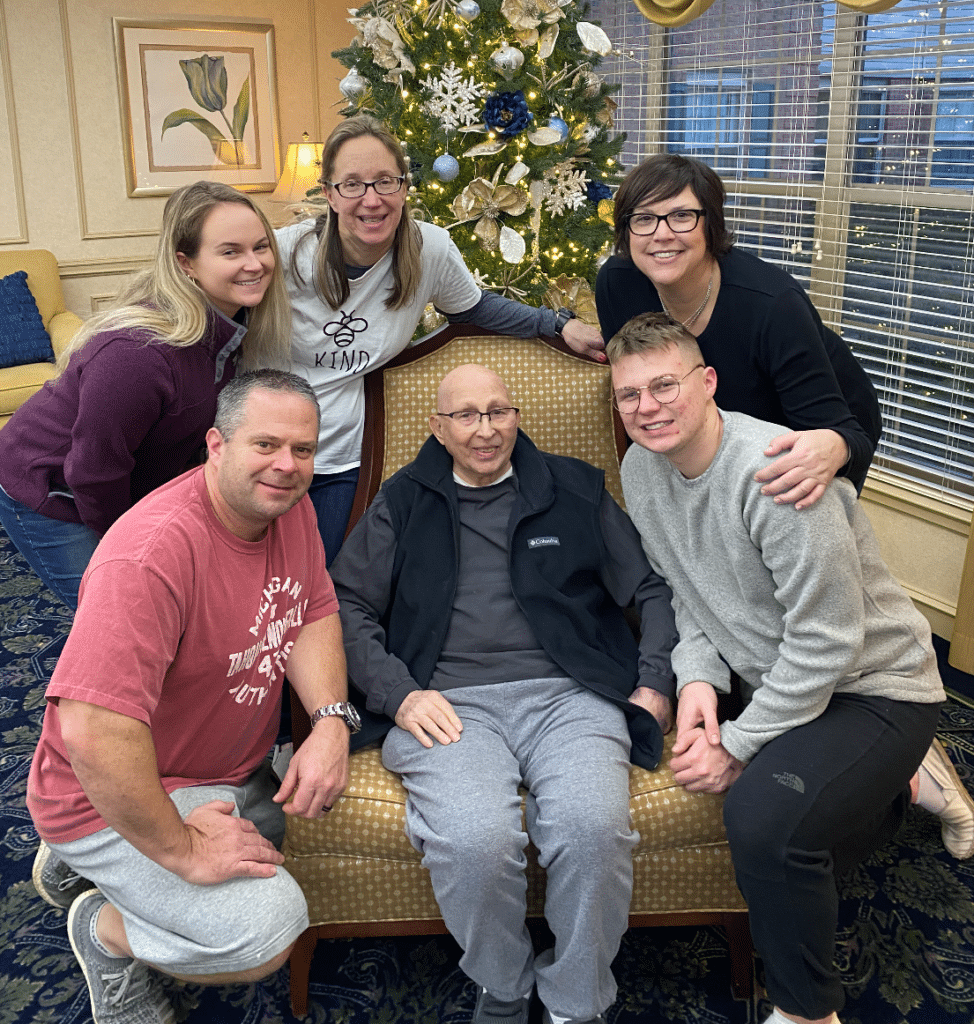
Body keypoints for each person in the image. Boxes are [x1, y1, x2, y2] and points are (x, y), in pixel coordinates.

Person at [607, 312, 974, 1024]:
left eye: (664, 386)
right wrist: (700, 685)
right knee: (787, 829)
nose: (648, 408)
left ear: (706, 382)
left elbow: (828, 643)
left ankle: (809, 1011)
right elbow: (686, 594)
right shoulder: (639, 470)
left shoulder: (773, 472)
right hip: (775, 678)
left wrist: (737, 746)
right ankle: (905, 784)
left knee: (763, 819)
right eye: (629, 396)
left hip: (876, 687)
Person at [328, 363, 677, 1024]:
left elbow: (651, 590)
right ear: (437, 427)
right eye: (466, 415)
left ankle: (577, 1001)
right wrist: (398, 694)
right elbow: (345, 606)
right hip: (445, 704)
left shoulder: (572, 488)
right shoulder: (403, 500)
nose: (486, 430)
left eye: (499, 412)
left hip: (569, 696)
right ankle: (505, 987)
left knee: (592, 828)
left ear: (517, 416)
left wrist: (655, 681)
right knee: (475, 841)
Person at [25, 370, 357, 1024]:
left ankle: (90, 865)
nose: (286, 466)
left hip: (227, 770)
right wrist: (179, 847)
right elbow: (93, 732)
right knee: (269, 926)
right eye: (265, 444)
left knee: (314, 829)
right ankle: (102, 925)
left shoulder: (290, 509)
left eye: (303, 450)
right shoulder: (149, 555)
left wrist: (330, 722)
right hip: (112, 783)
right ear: (215, 444)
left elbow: (312, 608)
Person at [276, 114, 607, 563]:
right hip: (267, 448)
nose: (370, 200)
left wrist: (558, 324)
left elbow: (475, 309)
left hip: (346, 462)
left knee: (326, 585)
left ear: (406, 186)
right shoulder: (284, 253)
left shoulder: (427, 249)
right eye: (352, 184)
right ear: (329, 193)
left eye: (385, 182)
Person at [0, 181, 291, 609]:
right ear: (186, 263)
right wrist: (137, 550)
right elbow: (94, 473)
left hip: (121, 478)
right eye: (230, 252)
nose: (254, 264)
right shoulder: (137, 354)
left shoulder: (229, 329)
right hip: (53, 490)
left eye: (261, 247)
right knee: (121, 613)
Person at [596, 153, 882, 510]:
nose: (662, 234)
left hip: (809, 421)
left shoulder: (773, 304)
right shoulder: (618, 284)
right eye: (643, 219)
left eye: (682, 216)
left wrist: (838, 446)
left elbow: (848, 437)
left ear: (711, 223)